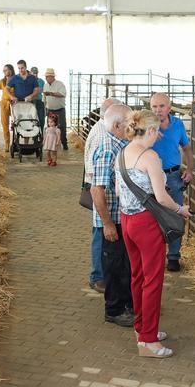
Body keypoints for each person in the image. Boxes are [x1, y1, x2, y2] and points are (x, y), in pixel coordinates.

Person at [116, 110, 191, 358]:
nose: (159, 135)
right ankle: (148, 341)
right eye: (157, 130)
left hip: (127, 220)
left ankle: (142, 328)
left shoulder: (122, 153)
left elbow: (118, 191)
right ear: (148, 130)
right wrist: (181, 209)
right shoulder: (150, 157)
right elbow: (161, 197)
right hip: (146, 224)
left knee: (138, 276)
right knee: (153, 280)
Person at [90, 103, 135, 326]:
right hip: (113, 219)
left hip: (120, 216)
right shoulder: (108, 148)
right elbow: (96, 189)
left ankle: (127, 303)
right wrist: (106, 223)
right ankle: (114, 309)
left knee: (123, 263)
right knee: (115, 265)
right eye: (129, 123)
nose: (132, 126)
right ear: (117, 125)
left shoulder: (120, 143)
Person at [149, 92, 193, 272]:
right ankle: (154, 254)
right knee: (152, 215)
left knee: (175, 215)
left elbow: (187, 147)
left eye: (161, 106)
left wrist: (190, 169)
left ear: (169, 107)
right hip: (151, 176)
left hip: (174, 175)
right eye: (154, 106)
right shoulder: (146, 125)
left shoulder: (178, 124)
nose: (157, 110)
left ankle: (173, 256)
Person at [84, 98, 118, 293]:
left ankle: (99, 275)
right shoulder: (103, 134)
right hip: (100, 187)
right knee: (99, 233)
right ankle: (97, 276)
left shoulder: (98, 128)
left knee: (99, 233)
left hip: (96, 183)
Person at [44, 68, 69, 151]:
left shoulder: (60, 84)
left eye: (49, 76)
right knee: (50, 127)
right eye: (46, 76)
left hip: (59, 109)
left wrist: (51, 93)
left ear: (52, 76)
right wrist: (45, 107)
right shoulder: (45, 85)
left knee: (62, 127)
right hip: (50, 109)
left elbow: (62, 94)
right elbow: (44, 98)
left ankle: (64, 143)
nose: (47, 78)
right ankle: (51, 144)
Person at [0, 64, 15, 152]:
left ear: (10, 70)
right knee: (5, 124)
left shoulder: (16, 80)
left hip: (14, 103)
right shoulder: (2, 81)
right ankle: (7, 144)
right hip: (4, 103)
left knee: (16, 123)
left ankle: (15, 143)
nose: (5, 72)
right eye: (3, 71)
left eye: (6, 70)